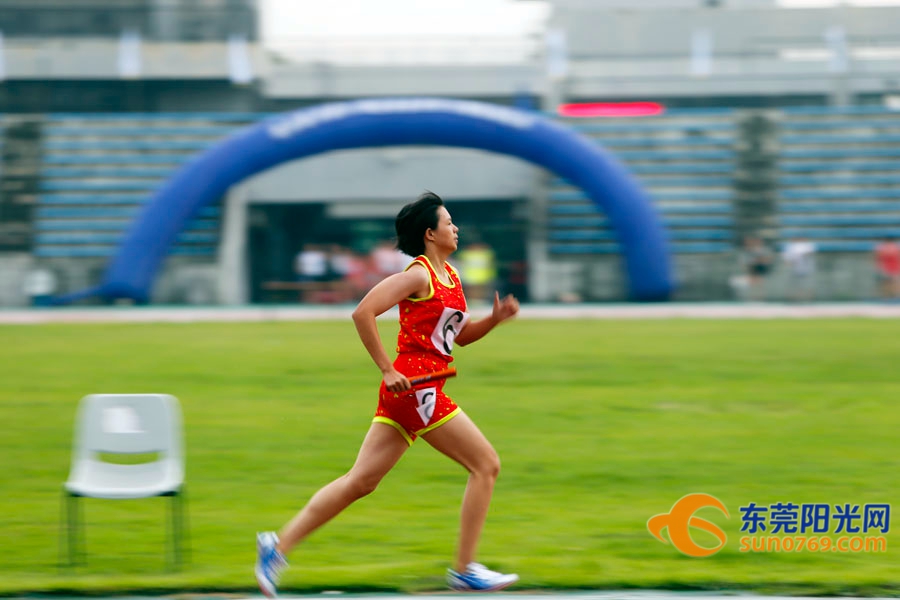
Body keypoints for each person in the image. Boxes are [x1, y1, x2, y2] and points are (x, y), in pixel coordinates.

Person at [255, 191, 521, 597]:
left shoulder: (450, 277)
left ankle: (277, 546)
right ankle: (465, 568)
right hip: (417, 389)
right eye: (449, 223)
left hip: (413, 392)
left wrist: (495, 320)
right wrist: (387, 367)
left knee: (360, 481)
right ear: (430, 234)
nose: (456, 228)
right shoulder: (417, 275)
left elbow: (459, 337)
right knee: (486, 464)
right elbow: (363, 312)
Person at [781, 236, 817, 303]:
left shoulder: (807, 245)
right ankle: (794, 300)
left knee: (807, 285)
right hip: (794, 269)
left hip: (806, 269)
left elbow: (809, 253)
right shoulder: (790, 247)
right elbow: (787, 259)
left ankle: (808, 300)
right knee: (793, 286)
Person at [873, 236, 900, 300]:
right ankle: (887, 296)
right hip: (887, 268)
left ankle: (893, 296)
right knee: (887, 283)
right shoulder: (882, 248)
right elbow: (877, 258)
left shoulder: (895, 248)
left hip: (893, 268)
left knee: (893, 283)